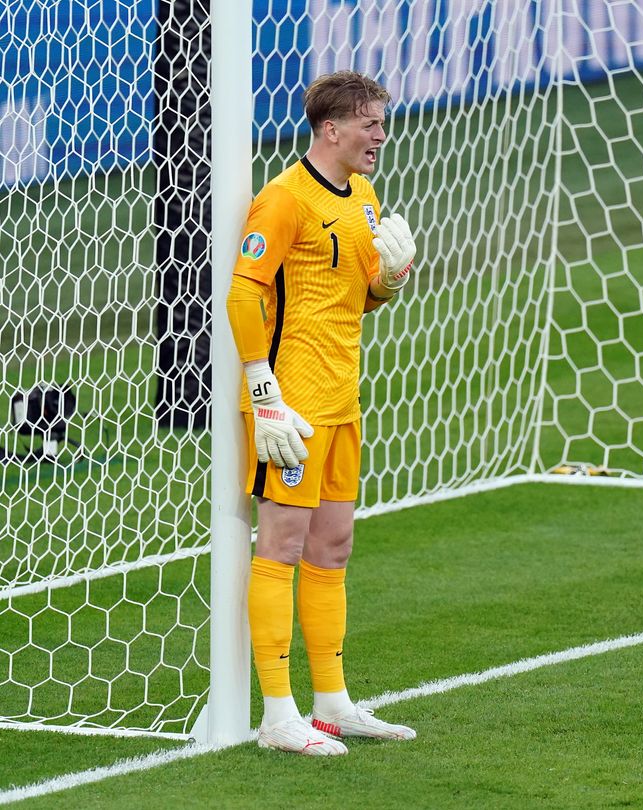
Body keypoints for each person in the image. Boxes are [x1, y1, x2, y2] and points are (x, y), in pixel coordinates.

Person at [225, 70, 417, 756]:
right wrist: (262, 391)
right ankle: (277, 715)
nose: (380, 137)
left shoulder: (362, 196)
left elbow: (363, 295)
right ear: (330, 130)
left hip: (344, 399)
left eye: (381, 124)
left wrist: (390, 280)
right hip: (291, 408)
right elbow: (245, 294)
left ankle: (331, 704)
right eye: (370, 125)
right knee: (279, 548)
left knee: (333, 548)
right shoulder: (283, 200)